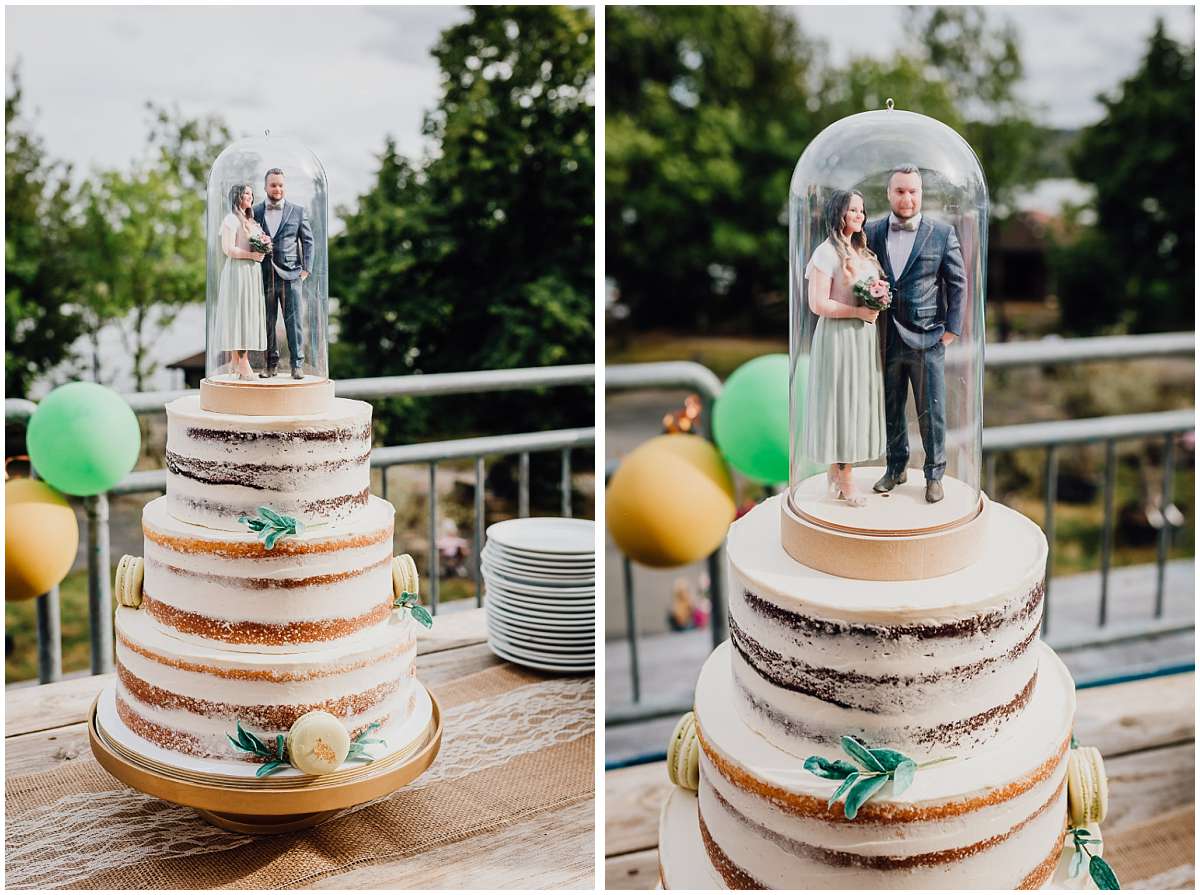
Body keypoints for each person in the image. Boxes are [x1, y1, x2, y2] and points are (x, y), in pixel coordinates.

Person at [865, 165, 967, 504]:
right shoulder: (873, 231)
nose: (907, 198)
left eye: (913, 191)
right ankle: (896, 467)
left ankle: (935, 474)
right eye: (900, 191)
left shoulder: (940, 233)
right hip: (885, 336)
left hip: (928, 336)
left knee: (932, 410)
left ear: (921, 194)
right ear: (889, 194)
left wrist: (952, 329)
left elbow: (957, 282)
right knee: (891, 406)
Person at [803, 189, 887, 507]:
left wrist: (877, 298)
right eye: (853, 210)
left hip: (862, 338)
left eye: (862, 211)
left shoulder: (862, 252)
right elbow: (817, 303)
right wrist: (858, 311)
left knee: (856, 400)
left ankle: (836, 475)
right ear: (839, 213)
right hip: (839, 338)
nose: (859, 216)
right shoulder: (826, 253)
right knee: (841, 401)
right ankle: (845, 477)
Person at [253, 168, 314, 379]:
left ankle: (297, 364)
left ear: (284, 187)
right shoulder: (256, 211)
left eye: (280, 185)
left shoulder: (297, 211)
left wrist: (306, 269)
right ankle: (270, 365)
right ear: (265, 186)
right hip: (264, 275)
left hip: (291, 276)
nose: (277, 189)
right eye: (273, 185)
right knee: (267, 322)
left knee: (293, 321)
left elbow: (307, 240)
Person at [214, 184, 268, 380]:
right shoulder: (231, 219)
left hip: (252, 272)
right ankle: (242, 363)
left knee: (247, 314)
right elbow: (228, 248)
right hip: (237, 271)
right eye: (246, 193)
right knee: (238, 315)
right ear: (237, 196)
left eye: (251, 194)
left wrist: (261, 251)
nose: (250, 197)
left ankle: (237, 362)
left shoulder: (251, 221)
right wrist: (251, 255)